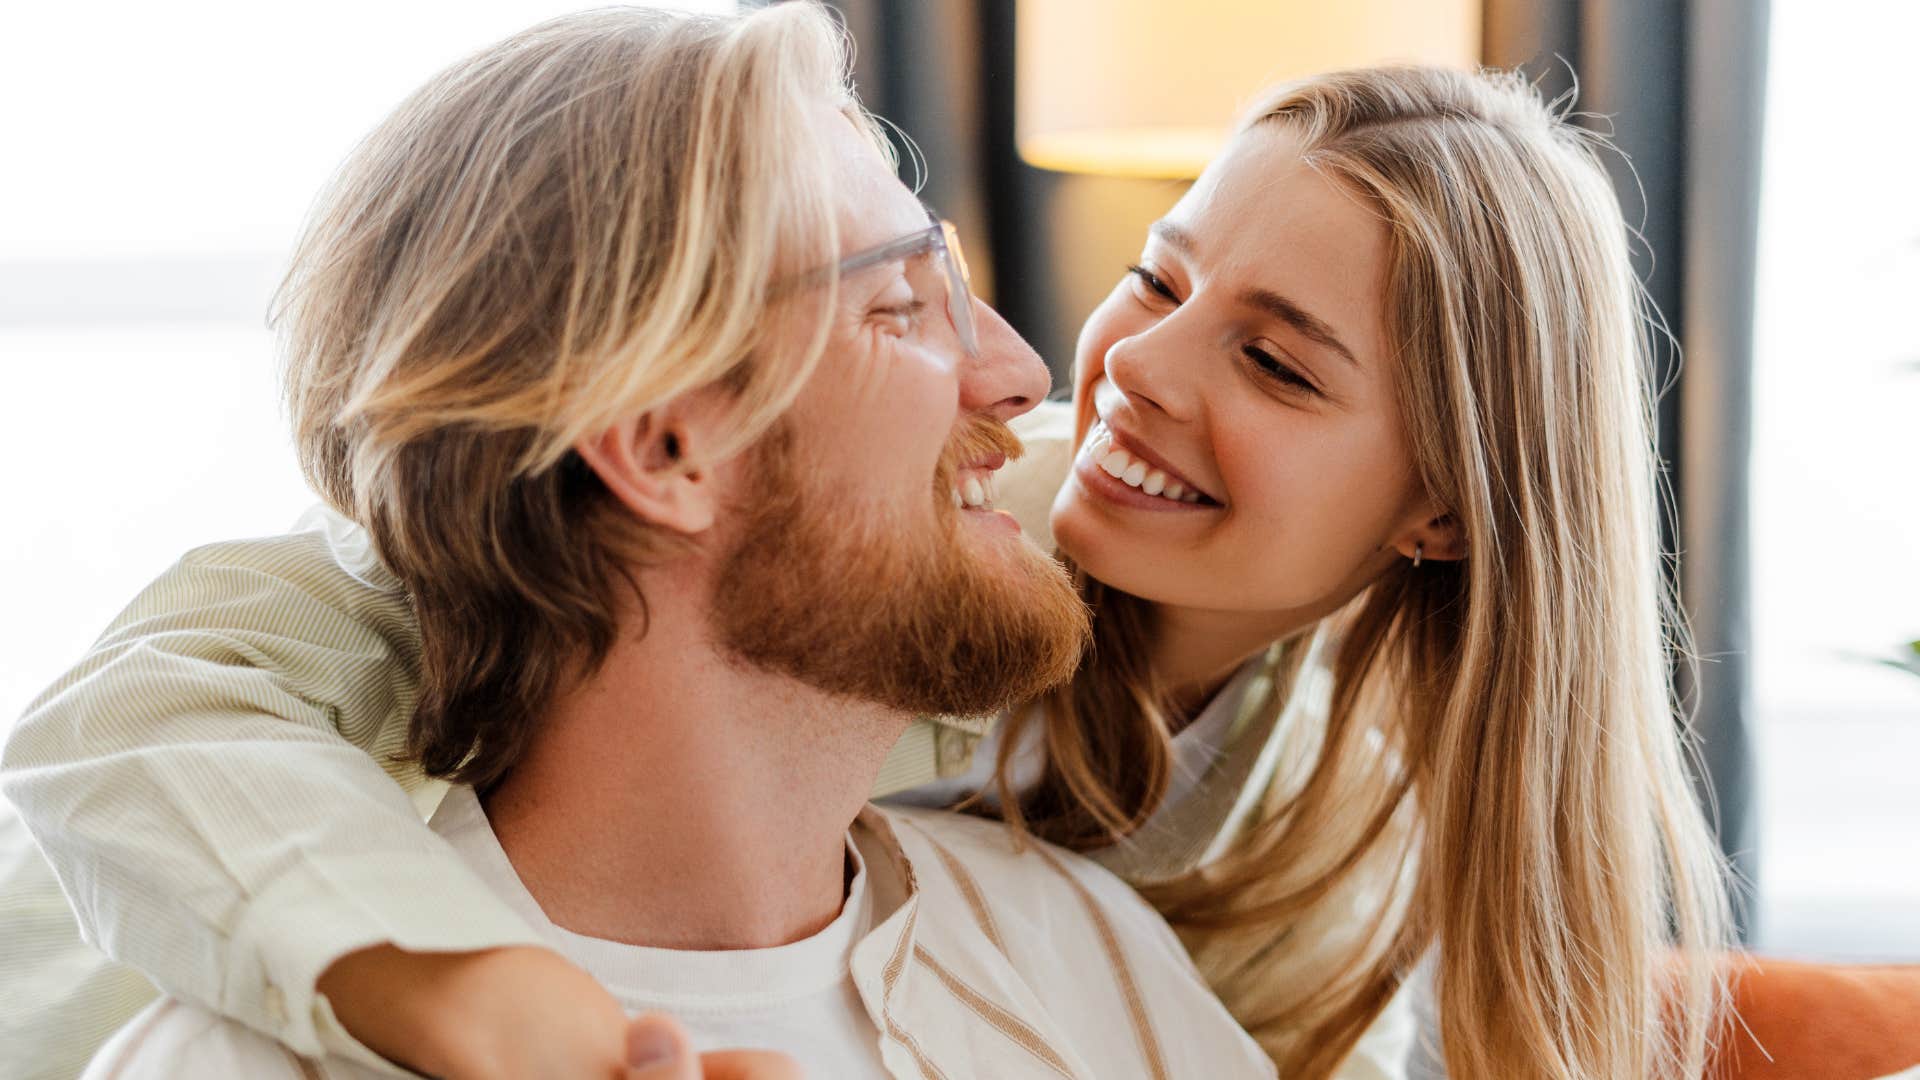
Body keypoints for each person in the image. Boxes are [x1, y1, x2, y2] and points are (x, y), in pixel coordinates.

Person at [2, 24, 1734, 1080]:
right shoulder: (903, 511)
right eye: (1161, 274)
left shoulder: (1308, 840)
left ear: (1446, 510)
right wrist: (489, 1008)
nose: (1091, 372)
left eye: (1278, 363)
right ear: (664, 446)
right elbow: (142, 714)